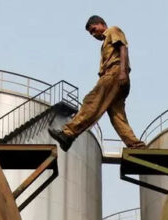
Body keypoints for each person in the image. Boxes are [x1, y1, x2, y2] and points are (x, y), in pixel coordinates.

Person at [49, 15, 145, 152]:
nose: (93, 34)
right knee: (117, 116)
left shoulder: (112, 30)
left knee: (91, 101)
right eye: (91, 33)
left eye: (94, 30)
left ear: (101, 24)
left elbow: (123, 48)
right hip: (116, 77)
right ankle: (136, 146)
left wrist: (123, 71)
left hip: (114, 73)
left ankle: (68, 134)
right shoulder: (105, 42)